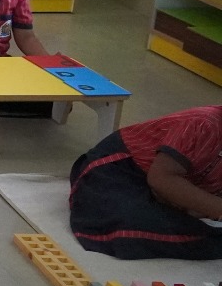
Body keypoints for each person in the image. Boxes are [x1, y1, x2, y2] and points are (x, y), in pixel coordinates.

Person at [69, 106, 222, 259]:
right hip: (118, 170)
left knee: (181, 228)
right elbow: (161, 178)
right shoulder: (204, 123)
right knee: (129, 224)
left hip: (163, 190)